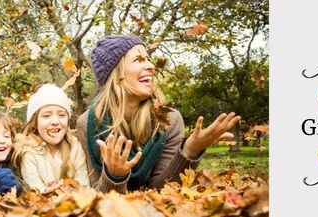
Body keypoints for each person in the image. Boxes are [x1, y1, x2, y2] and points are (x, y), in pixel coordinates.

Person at [76, 35, 240, 193]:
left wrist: (190, 150)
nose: (150, 66)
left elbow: (163, 191)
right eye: (138, 60)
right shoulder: (88, 124)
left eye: (148, 59)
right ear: (115, 75)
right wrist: (114, 177)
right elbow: (96, 197)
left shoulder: (169, 119)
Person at [11, 84, 89, 191]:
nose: (55, 121)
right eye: (46, 116)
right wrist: (51, 191)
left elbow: (84, 187)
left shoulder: (75, 147)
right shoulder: (29, 152)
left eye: (61, 115)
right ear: (34, 122)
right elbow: (35, 190)